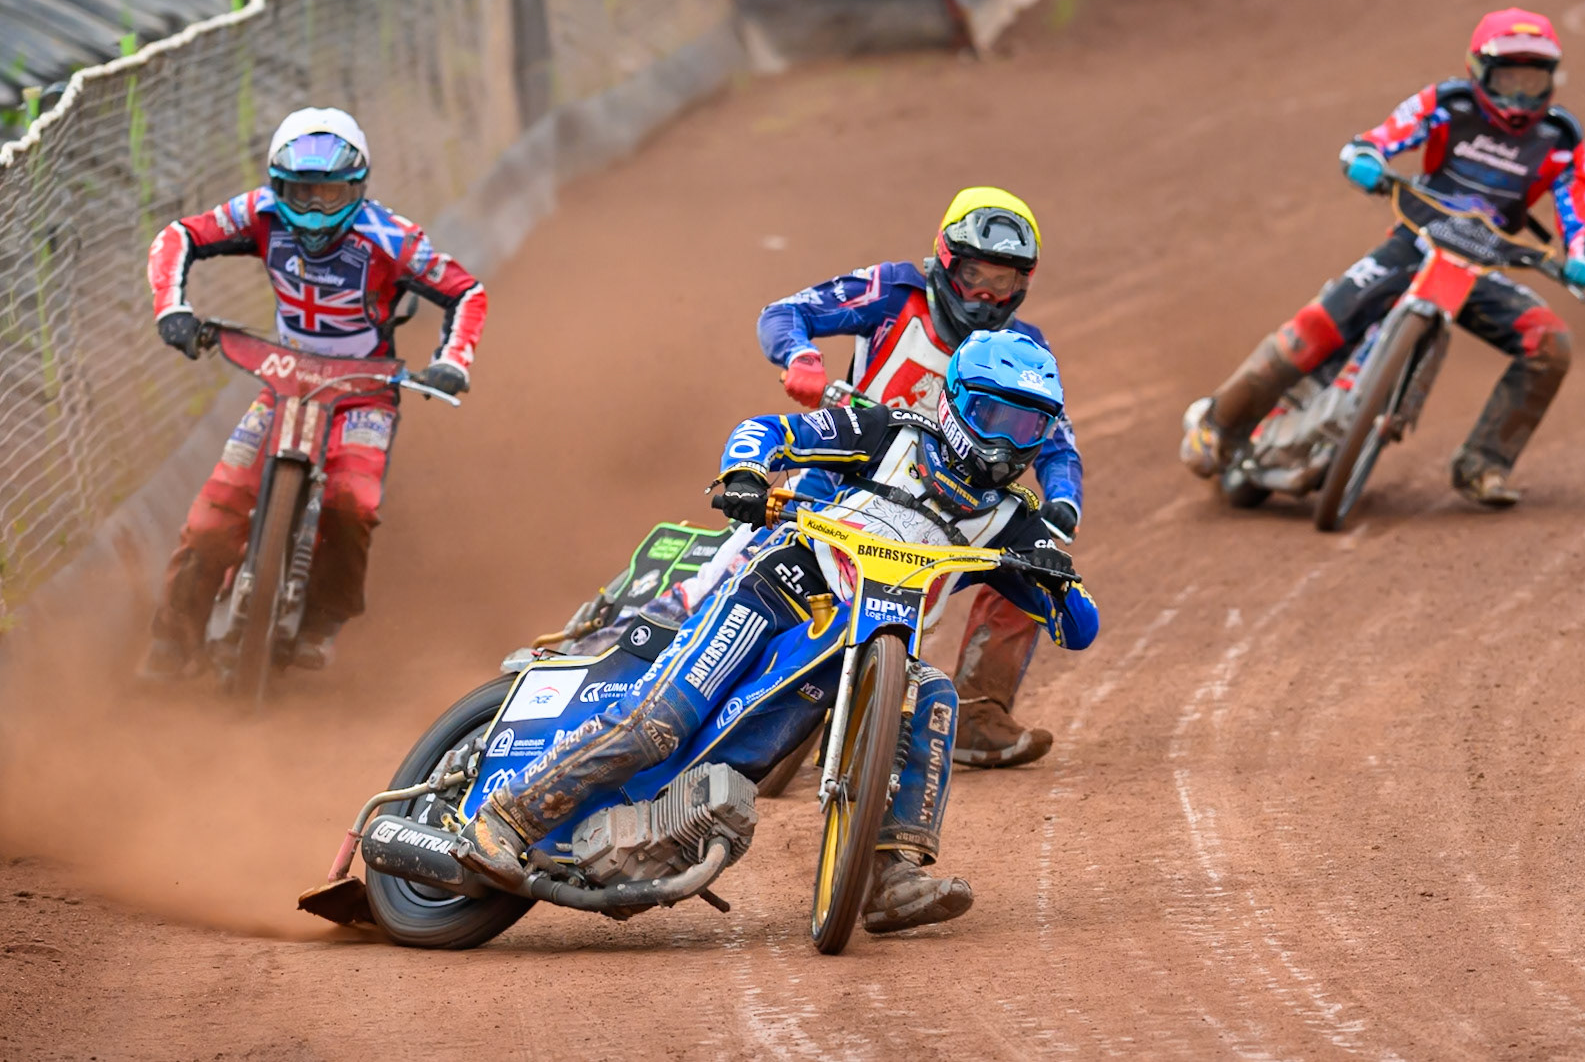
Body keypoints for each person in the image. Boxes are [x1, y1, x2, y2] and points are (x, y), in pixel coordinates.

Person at [456, 330, 1099, 934]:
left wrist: (1058, 579)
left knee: (929, 695)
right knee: (663, 720)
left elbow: (1079, 628)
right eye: (997, 417)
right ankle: (506, 820)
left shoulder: (1017, 520)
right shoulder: (886, 432)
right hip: (779, 593)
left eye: (1029, 426)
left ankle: (884, 874)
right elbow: (766, 431)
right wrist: (746, 475)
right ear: (957, 400)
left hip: (863, 645)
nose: (1008, 441)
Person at [1181, 8, 1585, 507]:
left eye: (1531, 80)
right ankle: (1218, 426)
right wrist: (1367, 159)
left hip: (1480, 268)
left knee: (1551, 343)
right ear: (1479, 71)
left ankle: (1483, 465)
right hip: (1415, 244)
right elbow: (1385, 137)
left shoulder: (1561, 138)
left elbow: (1582, 215)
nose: (1518, 95)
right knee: (1314, 327)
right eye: (1507, 77)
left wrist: (1583, 257)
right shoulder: (1447, 103)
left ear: (1551, 80)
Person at [138, 107, 488, 677]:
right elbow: (180, 235)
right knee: (212, 515)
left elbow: (466, 291)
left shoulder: (392, 238)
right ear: (279, 187)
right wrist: (172, 310)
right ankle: (174, 636)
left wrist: (452, 361)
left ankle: (324, 617)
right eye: (301, 193)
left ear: (358, 186)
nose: (315, 208)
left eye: (330, 192)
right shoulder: (258, 213)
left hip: (362, 391)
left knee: (354, 502)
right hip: (283, 380)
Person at [757, 187, 1084, 768]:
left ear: (1024, 284)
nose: (986, 296)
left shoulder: (1023, 349)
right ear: (945, 261)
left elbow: (1055, 436)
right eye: (976, 274)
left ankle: (979, 710)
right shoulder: (891, 293)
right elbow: (785, 313)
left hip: (948, 508)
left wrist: (1062, 501)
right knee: (748, 565)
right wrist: (801, 358)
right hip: (843, 476)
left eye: (1003, 282)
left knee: (1034, 559)